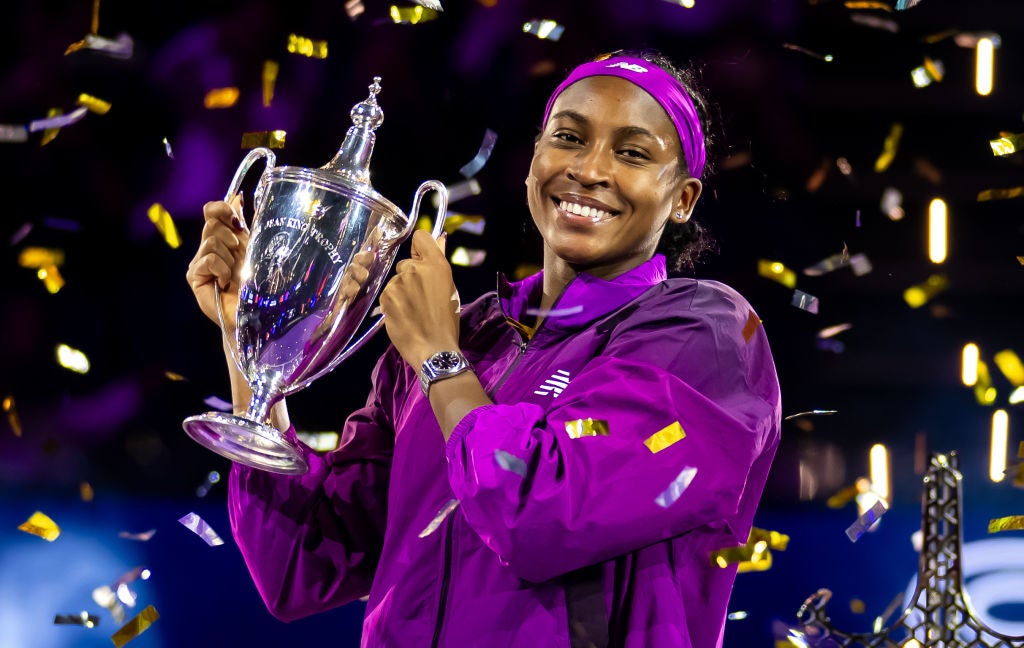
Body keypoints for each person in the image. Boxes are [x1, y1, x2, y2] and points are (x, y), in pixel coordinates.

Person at [186, 47, 782, 648]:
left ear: (681, 199)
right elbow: (302, 567)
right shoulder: (462, 333)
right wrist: (254, 339)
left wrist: (441, 363)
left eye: (631, 153)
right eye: (569, 138)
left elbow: (541, 515)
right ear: (533, 161)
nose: (590, 168)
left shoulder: (703, 336)